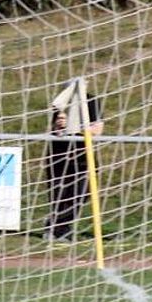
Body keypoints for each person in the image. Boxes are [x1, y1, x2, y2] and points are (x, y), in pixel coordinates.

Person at [45, 94, 103, 242]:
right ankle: (57, 230)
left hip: (83, 159)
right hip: (58, 157)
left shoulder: (90, 101)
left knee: (80, 195)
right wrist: (59, 126)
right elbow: (54, 127)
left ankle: (58, 226)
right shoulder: (62, 100)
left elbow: (97, 130)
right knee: (59, 196)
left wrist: (74, 127)